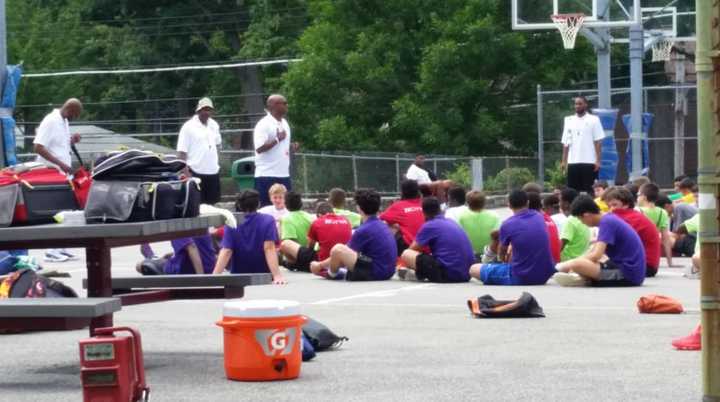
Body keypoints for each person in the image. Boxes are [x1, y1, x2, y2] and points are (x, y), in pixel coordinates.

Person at [555, 195, 646, 287]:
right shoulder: (608, 219)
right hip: (631, 270)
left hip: (628, 274)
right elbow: (593, 251)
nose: (582, 222)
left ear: (587, 215)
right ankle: (583, 277)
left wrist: (564, 266)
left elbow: (596, 255)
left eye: (580, 219)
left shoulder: (607, 222)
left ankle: (581, 277)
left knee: (576, 264)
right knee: (581, 262)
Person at [468, 190, 555, 286]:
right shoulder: (539, 217)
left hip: (521, 277)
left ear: (509, 205)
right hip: (544, 276)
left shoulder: (508, 224)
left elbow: (501, 253)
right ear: (527, 202)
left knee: (474, 269)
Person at [34, 98, 83, 263]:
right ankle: (51, 250)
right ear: (69, 108)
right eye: (75, 114)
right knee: (54, 211)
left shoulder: (64, 121)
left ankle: (61, 247)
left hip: (63, 174)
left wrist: (72, 141)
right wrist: (62, 165)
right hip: (51, 174)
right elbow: (38, 147)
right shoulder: (50, 121)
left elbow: (59, 145)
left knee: (65, 210)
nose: (74, 118)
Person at [310, 189, 397, 281]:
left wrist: (319, 265)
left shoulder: (364, 229)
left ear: (358, 207)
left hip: (376, 272)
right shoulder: (382, 224)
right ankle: (337, 272)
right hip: (388, 271)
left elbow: (341, 255)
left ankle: (331, 274)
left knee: (338, 249)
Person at [212, 189, 286, 284]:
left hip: (238, 275)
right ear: (258, 204)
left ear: (239, 205)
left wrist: (214, 276)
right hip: (263, 273)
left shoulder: (231, 222)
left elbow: (226, 250)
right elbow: (269, 248)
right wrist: (277, 275)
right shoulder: (268, 220)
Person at [398, 197, 474, 283]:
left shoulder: (430, 225)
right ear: (439, 209)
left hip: (447, 274)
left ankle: (418, 273)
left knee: (406, 254)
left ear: (424, 213)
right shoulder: (451, 221)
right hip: (467, 274)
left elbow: (412, 249)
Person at [604, 187, 661, 277]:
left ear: (626, 204)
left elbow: (608, 243)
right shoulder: (632, 215)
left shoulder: (629, 219)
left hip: (643, 266)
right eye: (609, 206)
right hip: (646, 264)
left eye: (614, 205)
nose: (611, 209)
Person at [280, 202, 351, 273]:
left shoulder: (318, 222)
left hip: (322, 261)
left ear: (319, 215)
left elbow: (310, 246)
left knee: (285, 243)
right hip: (343, 261)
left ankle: (293, 265)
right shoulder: (346, 220)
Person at [253, 94, 298, 207]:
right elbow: (259, 148)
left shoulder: (285, 123)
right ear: (274, 105)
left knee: (285, 208)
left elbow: (282, 145)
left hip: (283, 174)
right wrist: (277, 139)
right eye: (284, 103)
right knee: (266, 209)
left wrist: (291, 146)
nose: (287, 105)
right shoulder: (263, 124)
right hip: (267, 175)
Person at [177, 97, 222, 204]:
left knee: (213, 204)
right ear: (198, 110)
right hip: (195, 172)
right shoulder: (188, 127)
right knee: (197, 206)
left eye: (209, 109)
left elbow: (217, 146)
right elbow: (182, 152)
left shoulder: (214, 125)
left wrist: (216, 163)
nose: (207, 112)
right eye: (204, 109)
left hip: (213, 172)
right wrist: (186, 173)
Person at [560, 96, 604, 194]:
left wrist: (598, 160)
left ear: (585, 105)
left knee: (590, 190)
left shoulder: (594, 119)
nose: (577, 106)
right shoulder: (568, 120)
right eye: (576, 104)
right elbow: (565, 142)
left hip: (589, 161)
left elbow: (598, 141)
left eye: (580, 103)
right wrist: (564, 161)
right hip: (573, 162)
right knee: (572, 191)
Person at [379, 179, 424, 256]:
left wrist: (398, 226)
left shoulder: (399, 206)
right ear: (418, 191)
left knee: (385, 224)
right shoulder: (425, 203)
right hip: (429, 246)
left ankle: (388, 255)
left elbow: (380, 219)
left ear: (403, 192)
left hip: (409, 248)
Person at [638, 183, 677, 268]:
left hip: (639, 250)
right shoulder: (662, 212)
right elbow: (665, 239)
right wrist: (669, 262)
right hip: (653, 251)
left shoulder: (638, 211)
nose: (637, 198)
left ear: (644, 197)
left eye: (638, 195)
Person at [136, 235, 216, 275]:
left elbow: (192, 247)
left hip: (187, 269)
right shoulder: (199, 219)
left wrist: (200, 277)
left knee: (139, 265)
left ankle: (151, 256)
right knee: (166, 257)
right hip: (209, 266)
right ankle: (153, 257)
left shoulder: (176, 225)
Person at [457, 190, 500, 258]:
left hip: (470, 255)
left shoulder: (461, 217)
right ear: (484, 202)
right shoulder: (494, 216)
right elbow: (498, 237)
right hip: (490, 255)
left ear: (467, 203)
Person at [278, 191, 314, 270]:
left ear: (286, 204)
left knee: (284, 244)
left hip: (300, 256)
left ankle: (294, 264)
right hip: (312, 253)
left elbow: (289, 242)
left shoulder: (286, 219)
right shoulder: (311, 217)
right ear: (301, 203)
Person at [527, 191, 561, 263]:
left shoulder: (531, 221)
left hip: (543, 266)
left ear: (526, 204)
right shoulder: (549, 218)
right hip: (556, 263)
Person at [558, 191, 591, 262]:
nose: (559, 204)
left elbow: (561, 245)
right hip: (581, 260)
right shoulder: (581, 218)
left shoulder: (570, 221)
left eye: (560, 201)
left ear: (566, 204)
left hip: (568, 262)